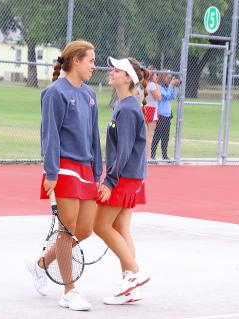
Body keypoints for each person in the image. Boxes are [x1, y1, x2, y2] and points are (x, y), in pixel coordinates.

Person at [26, 40, 102, 312]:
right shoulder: (54, 94)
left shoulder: (90, 95)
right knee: (67, 228)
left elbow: (94, 137)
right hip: (64, 168)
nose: (94, 65)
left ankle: (41, 264)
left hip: (85, 169)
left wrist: (97, 172)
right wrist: (51, 171)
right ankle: (69, 291)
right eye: (90, 60)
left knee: (84, 230)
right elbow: (50, 134)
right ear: (75, 61)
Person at [94, 56, 150, 305]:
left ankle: (134, 274)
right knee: (121, 228)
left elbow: (125, 150)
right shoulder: (125, 105)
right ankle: (131, 286)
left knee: (101, 226)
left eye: (117, 70)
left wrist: (109, 180)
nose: (112, 72)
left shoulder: (127, 109)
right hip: (131, 176)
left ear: (128, 78)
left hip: (124, 177)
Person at [151, 72, 179, 160]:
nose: (170, 80)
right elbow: (166, 96)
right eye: (168, 77)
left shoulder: (168, 87)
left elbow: (172, 97)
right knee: (157, 135)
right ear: (163, 77)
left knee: (165, 137)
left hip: (167, 115)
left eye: (171, 78)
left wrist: (174, 86)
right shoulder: (159, 87)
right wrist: (171, 85)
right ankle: (152, 155)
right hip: (161, 115)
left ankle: (164, 155)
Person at [143, 67, 161, 158]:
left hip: (143, 108)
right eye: (155, 74)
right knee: (149, 135)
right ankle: (147, 157)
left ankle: (143, 156)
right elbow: (159, 97)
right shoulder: (152, 85)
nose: (156, 76)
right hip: (151, 109)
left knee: (144, 133)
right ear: (152, 75)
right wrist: (156, 84)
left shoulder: (142, 84)